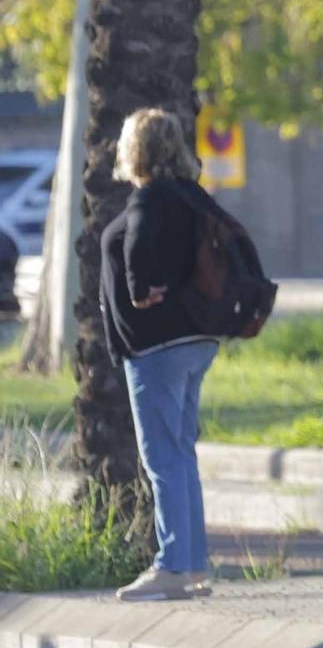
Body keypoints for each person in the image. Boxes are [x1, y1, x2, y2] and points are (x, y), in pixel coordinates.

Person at [98, 108, 221, 602]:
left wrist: (139, 286)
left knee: (162, 458)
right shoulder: (193, 197)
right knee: (180, 452)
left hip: (158, 347)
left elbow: (140, 247)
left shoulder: (149, 198)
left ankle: (171, 565)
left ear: (136, 149)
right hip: (196, 342)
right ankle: (192, 565)